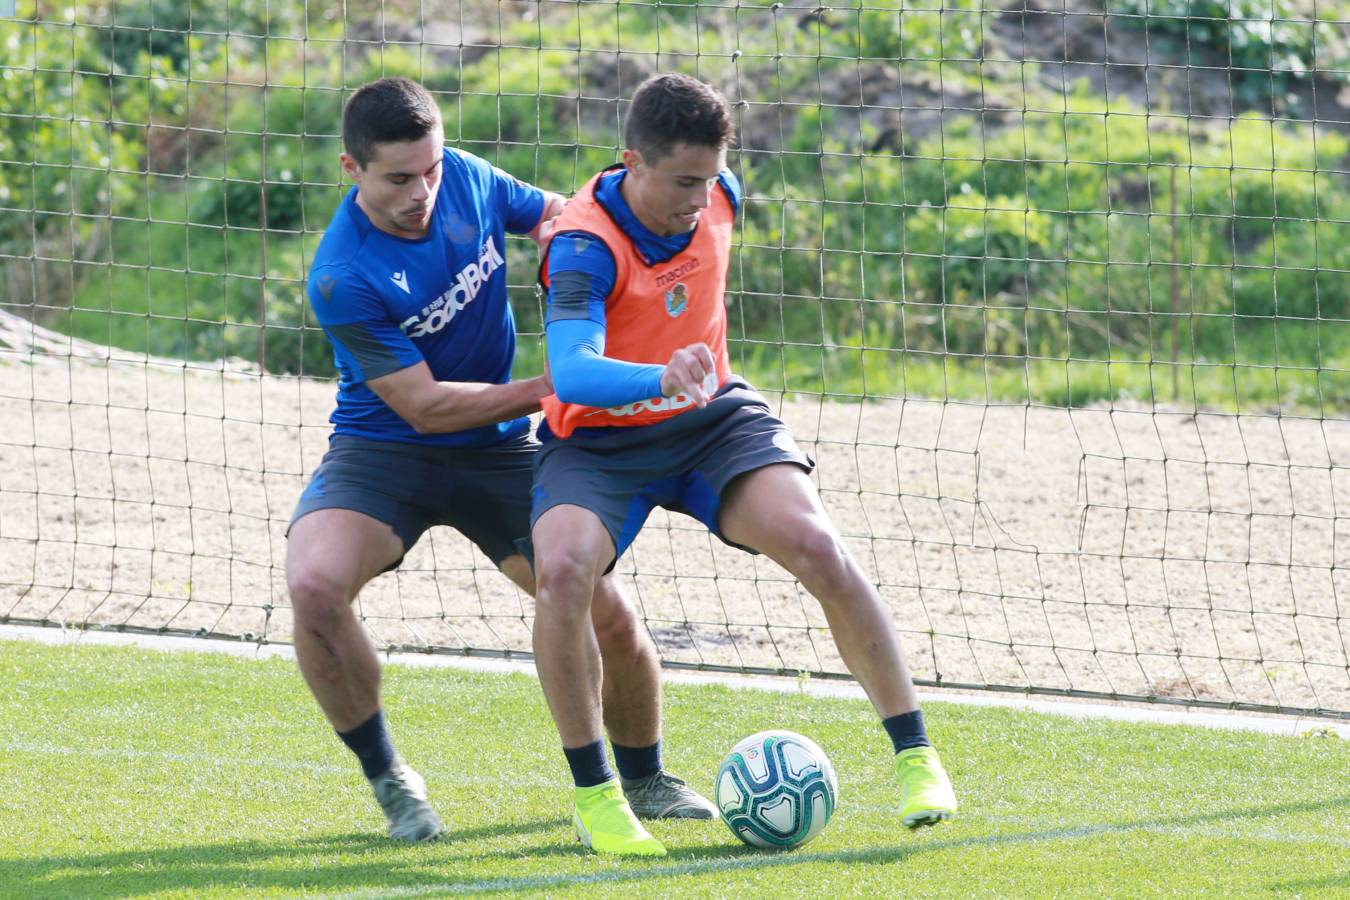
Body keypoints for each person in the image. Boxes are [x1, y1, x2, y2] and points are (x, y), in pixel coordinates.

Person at [531, 73, 959, 857]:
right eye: (682, 181)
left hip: (710, 421)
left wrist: (683, 384)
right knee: (562, 572)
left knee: (819, 545)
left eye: (710, 177)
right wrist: (655, 377)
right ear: (633, 161)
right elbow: (570, 370)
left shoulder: (721, 190)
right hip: (601, 439)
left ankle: (917, 759)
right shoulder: (586, 245)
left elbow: (715, 183)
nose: (700, 198)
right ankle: (598, 798)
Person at [287, 76, 715, 842]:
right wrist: (557, 382)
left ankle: (645, 778)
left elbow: (567, 218)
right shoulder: (341, 273)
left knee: (599, 605)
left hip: (497, 452)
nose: (423, 190)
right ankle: (390, 778)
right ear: (351, 170)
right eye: (398, 178)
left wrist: (603, 277)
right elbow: (424, 407)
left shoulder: (472, 180)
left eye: (432, 168)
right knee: (314, 585)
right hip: (385, 447)